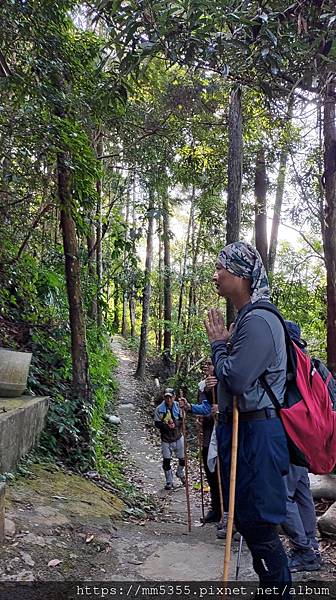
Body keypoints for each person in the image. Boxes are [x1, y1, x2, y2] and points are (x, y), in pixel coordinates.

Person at [205, 241, 291, 590]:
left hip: (257, 436)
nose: (215, 274)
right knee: (247, 518)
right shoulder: (246, 318)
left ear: (240, 275)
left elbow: (238, 378)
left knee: (258, 523)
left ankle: (278, 591)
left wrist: (218, 347)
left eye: (221, 267)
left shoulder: (258, 320)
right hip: (246, 434)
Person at [281, 320, 321, 573]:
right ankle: (312, 547)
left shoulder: (290, 363)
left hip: (290, 440)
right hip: (307, 440)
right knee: (301, 493)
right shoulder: (313, 366)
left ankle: (304, 549)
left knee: (280, 496)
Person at [179, 359, 222, 523]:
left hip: (223, 437)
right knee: (211, 475)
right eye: (207, 364)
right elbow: (205, 407)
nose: (207, 367)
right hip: (208, 436)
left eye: (211, 364)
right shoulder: (203, 387)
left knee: (222, 475)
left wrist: (216, 411)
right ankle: (216, 509)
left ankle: (227, 511)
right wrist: (190, 408)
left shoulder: (228, 383)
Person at [154, 388, 185, 490]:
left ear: (174, 397)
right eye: (166, 397)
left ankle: (180, 472)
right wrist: (166, 427)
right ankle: (169, 481)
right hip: (166, 438)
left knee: (182, 458)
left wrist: (175, 424)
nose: (168, 399)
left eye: (170, 397)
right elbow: (157, 423)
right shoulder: (159, 409)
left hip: (178, 436)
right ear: (164, 397)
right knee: (166, 460)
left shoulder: (178, 406)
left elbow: (182, 420)